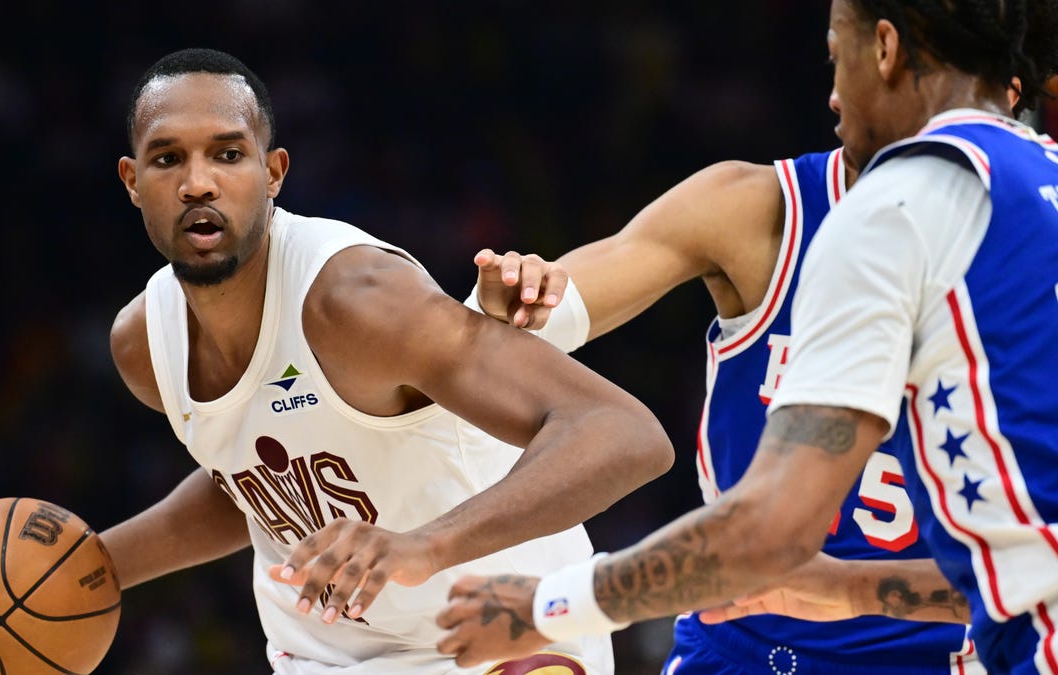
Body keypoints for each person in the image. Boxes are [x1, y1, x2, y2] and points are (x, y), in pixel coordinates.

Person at [0, 48, 675, 674]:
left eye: (227, 154)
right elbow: (249, 483)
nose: (198, 181)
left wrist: (424, 544)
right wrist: (62, 578)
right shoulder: (143, 346)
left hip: (501, 631)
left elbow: (624, 434)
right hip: (324, 653)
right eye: (168, 159)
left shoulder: (360, 299)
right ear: (133, 184)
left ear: (272, 174)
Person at [436, 1, 1058, 673]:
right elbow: (1025, 558)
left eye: (835, 53)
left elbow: (770, 528)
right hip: (761, 641)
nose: (831, 90)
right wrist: (514, 304)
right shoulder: (771, 205)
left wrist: (545, 606)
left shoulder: (899, 202)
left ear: (883, 48)